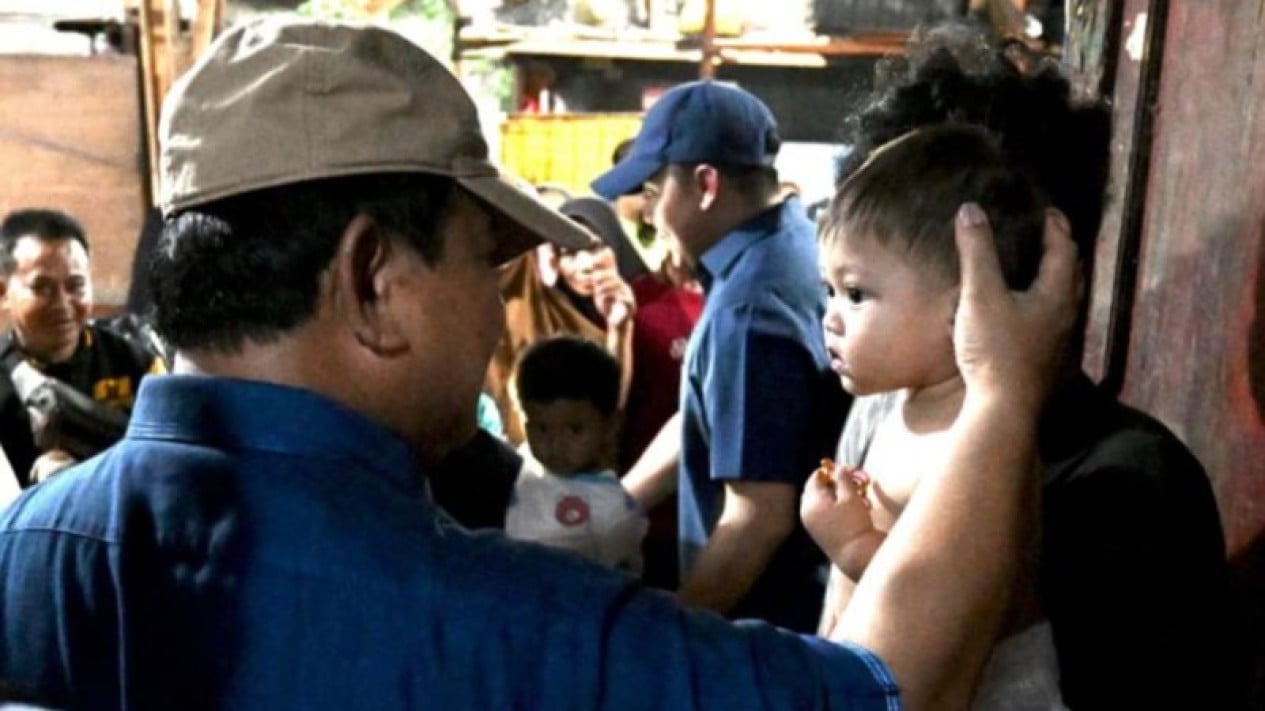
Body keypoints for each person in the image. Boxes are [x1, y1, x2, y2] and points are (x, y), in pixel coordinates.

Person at [0, 19, 1084, 710]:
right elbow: (883, 691)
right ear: (374, 279)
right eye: (487, 260)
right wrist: (998, 396)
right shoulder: (505, 630)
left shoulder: (27, 550)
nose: (494, 315)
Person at [826, 27, 1231, 710]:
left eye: (863, 287)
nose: (837, 314)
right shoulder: (882, 409)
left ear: (1032, 259)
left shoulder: (1127, 480)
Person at [814, 123, 1068, 708]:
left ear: (962, 311)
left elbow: (952, 597)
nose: (831, 316)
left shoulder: (974, 437)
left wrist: (851, 545)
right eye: (827, 290)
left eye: (856, 294)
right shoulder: (900, 408)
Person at [594, 80, 849, 632]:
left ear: (705, 184)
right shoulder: (789, 247)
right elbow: (718, 410)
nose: (649, 218)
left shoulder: (748, 310)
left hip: (761, 630)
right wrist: (614, 506)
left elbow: (757, 518)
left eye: (655, 189)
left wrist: (669, 635)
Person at [0, 208, 165, 487]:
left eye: (75, 285)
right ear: (3, 293)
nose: (63, 304)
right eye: (43, 288)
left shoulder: (137, 363)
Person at [486, 199, 637, 445]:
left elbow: (607, 407)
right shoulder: (534, 307)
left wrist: (620, 328)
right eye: (570, 252)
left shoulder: (650, 305)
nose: (587, 265)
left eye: (596, 247)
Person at [505, 336, 647, 571]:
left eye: (574, 430)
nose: (555, 444)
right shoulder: (524, 465)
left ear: (610, 426)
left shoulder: (613, 513)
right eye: (541, 428)